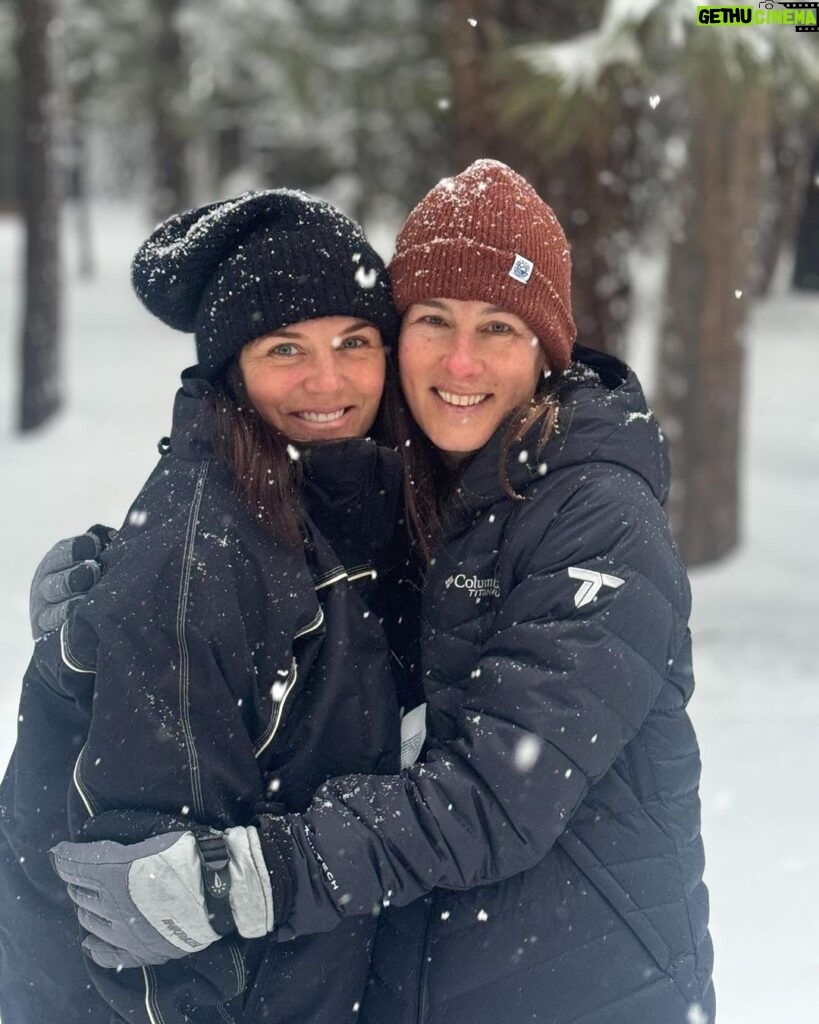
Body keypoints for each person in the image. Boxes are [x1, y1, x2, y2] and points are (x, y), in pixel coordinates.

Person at [48, 161, 714, 1023]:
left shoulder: (596, 517)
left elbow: (494, 795)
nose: (460, 359)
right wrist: (121, 579)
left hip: (584, 984)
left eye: (499, 327)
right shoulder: (427, 485)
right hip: (431, 981)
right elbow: (299, 573)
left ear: (548, 350)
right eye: (433, 320)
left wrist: (250, 880)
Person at [0, 189, 416, 1024]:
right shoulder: (206, 556)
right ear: (232, 368)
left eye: (354, 343)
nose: (327, 380)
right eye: (285, 349)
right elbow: (143, 920)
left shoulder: (339, 506)